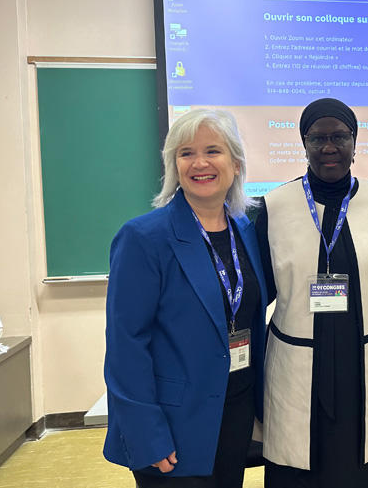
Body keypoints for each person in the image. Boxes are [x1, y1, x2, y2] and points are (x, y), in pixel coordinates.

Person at [103, 109, 268, 488]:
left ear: (236, 163)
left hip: (234, 410)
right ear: (173, 165)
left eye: (213, 150)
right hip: (173, 423)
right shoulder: (144, 238)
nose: (200, 163)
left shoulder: (244, 227)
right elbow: (126, 345)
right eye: (186, 153)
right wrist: (147, 433)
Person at [255, 97, 368, 488]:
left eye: (339, 136)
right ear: (303, 143)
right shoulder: (275, 206)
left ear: (355, 141)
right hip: (299, 368)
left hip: (365, 367)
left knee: (366, 471)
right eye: (317, 138)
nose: (329, 147)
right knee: (297, 470)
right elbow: (260, 293)